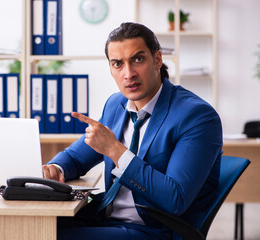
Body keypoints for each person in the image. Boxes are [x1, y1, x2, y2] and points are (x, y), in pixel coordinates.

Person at [42, 22, 222, 240]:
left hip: (155, 230)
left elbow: (175, 198)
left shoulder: (197, 116)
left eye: (138, 59)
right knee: (28, 227)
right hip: (105, 217)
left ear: (157, 59)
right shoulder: (116, 105)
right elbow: (76, 157)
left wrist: (116, 151)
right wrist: (55, 168)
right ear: (110, 68)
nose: (128, 74)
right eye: (118, 64)